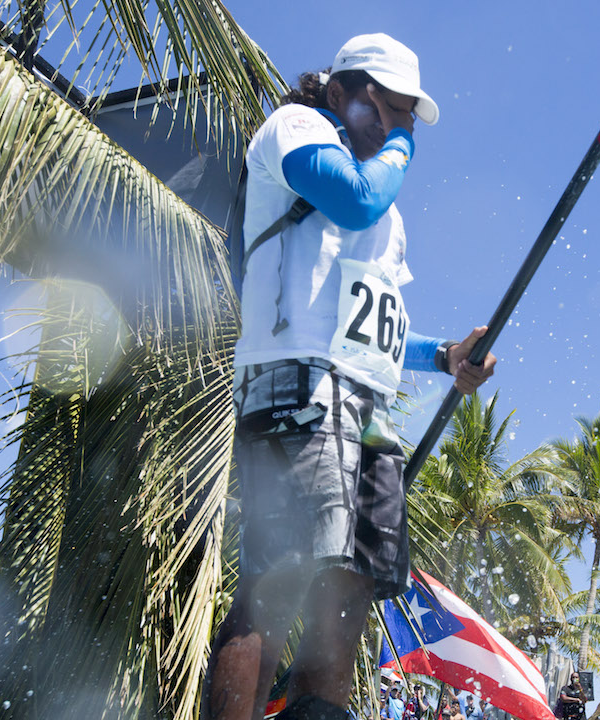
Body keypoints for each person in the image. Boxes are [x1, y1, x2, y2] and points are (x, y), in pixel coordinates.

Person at [204, 32, 497, 720]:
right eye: (384, 108)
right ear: (338, 93)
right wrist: (402, 148)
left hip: (368, 406)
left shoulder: (387, 214)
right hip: (296, 388)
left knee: (349, 592)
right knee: (279, 577)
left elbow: (372, 324)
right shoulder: (295, 128)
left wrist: (446, 356)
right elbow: (353, 199)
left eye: (407, 116)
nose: (397, 129)